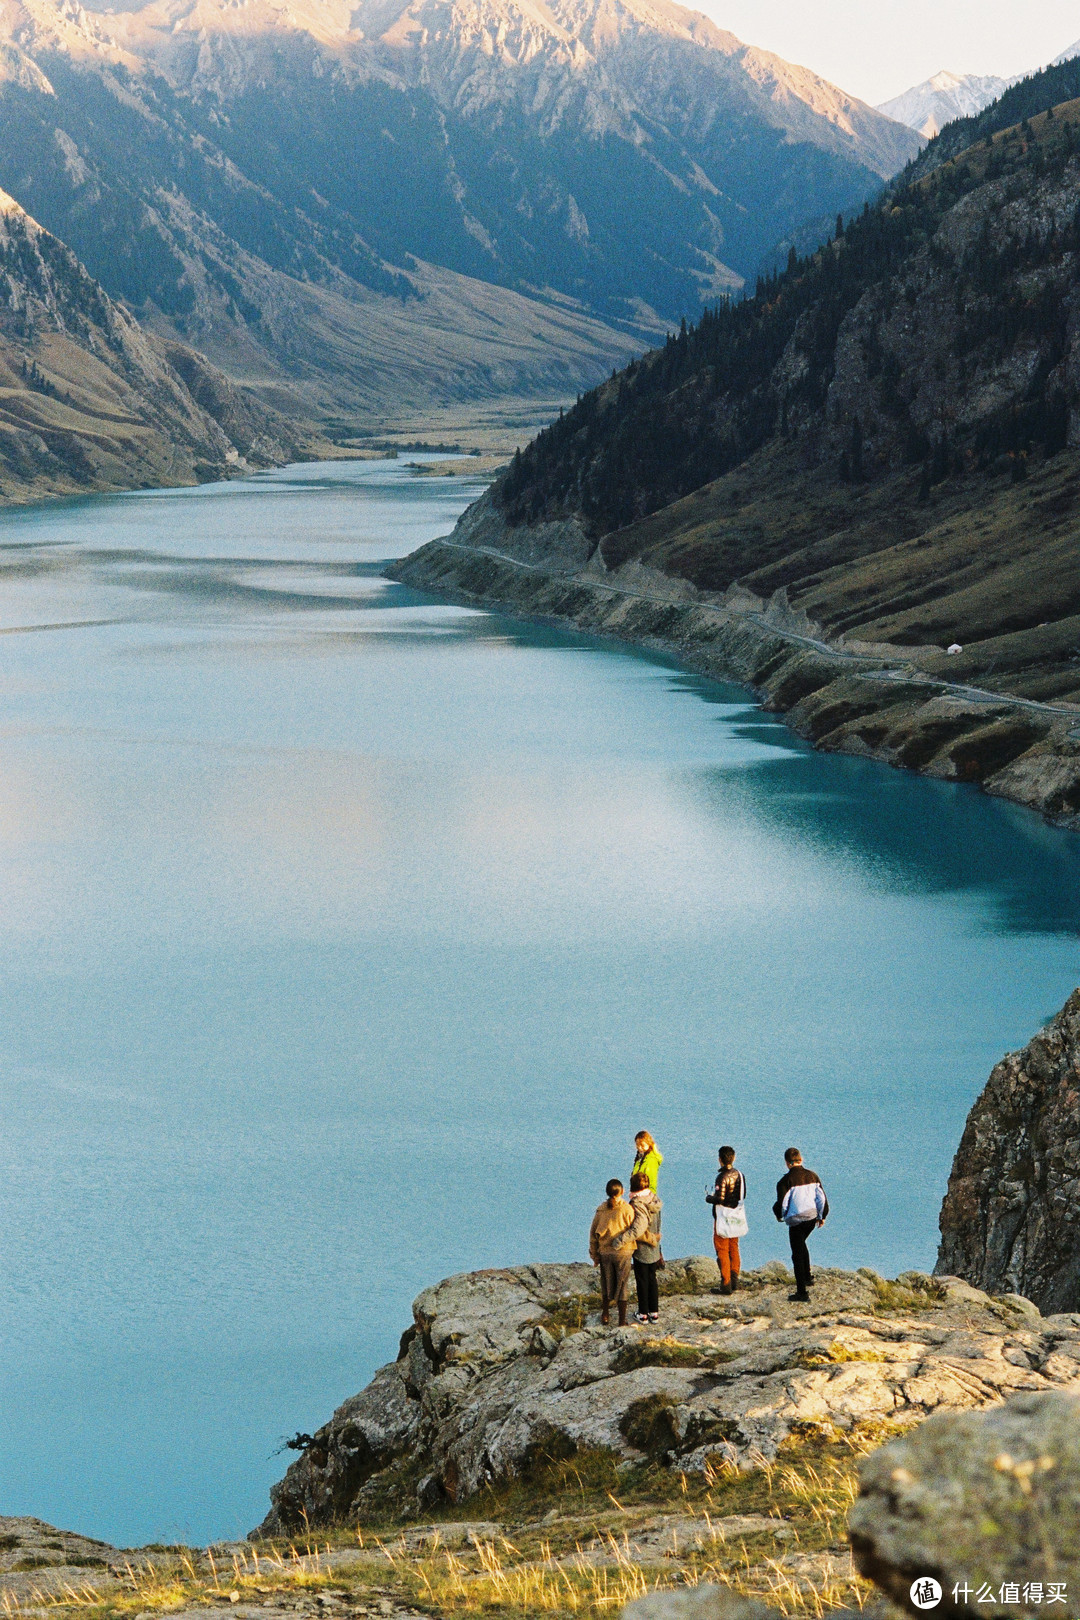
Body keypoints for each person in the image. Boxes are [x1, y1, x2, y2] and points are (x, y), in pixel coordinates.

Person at [773, 1147, 828, 1303]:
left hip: (796, 1220)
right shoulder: (813, 1176)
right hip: (811, 1217)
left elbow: (783, 1203)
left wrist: (779, 1215)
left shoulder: (785, 1181)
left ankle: (802, 1293)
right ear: (801, 1160)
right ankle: (807, 1277)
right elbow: (821, 1198)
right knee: (802, 1243)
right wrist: (822, 1215)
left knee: (796, 1253)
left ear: (787, 1163)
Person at [589, 1178, 646, 1326]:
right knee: (622, 1284)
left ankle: (605, 1314)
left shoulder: (600, 1210)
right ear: (622, 1192)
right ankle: (621, 1320)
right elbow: (635, 1230)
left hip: (605, 1252)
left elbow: (593, 1234)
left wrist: (594, 1255)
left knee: (606, 1282)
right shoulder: (627, 1209)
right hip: (623, 1252)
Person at [706, 1145, 747, 1294]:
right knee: (734, 1246)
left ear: (720, 1159)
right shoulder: (740, 1174)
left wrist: (709, 1198)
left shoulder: (722, 1177)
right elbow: (743, 1195)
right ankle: (734, 1279)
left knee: (722, 1248)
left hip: (723, 1217)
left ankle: (726, 1283)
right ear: (733, 1158)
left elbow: (720, 1199)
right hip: (736, 1216)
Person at [629, 1171, 662, 1323]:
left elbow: (638, 1229)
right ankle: (654, 1313)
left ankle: (643, 1313)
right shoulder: (655, 1200)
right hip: (655, 1247)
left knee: (641, 1280)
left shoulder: (636, 1204)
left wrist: (622, 1239)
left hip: (642, 1247)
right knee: (652, 1279)